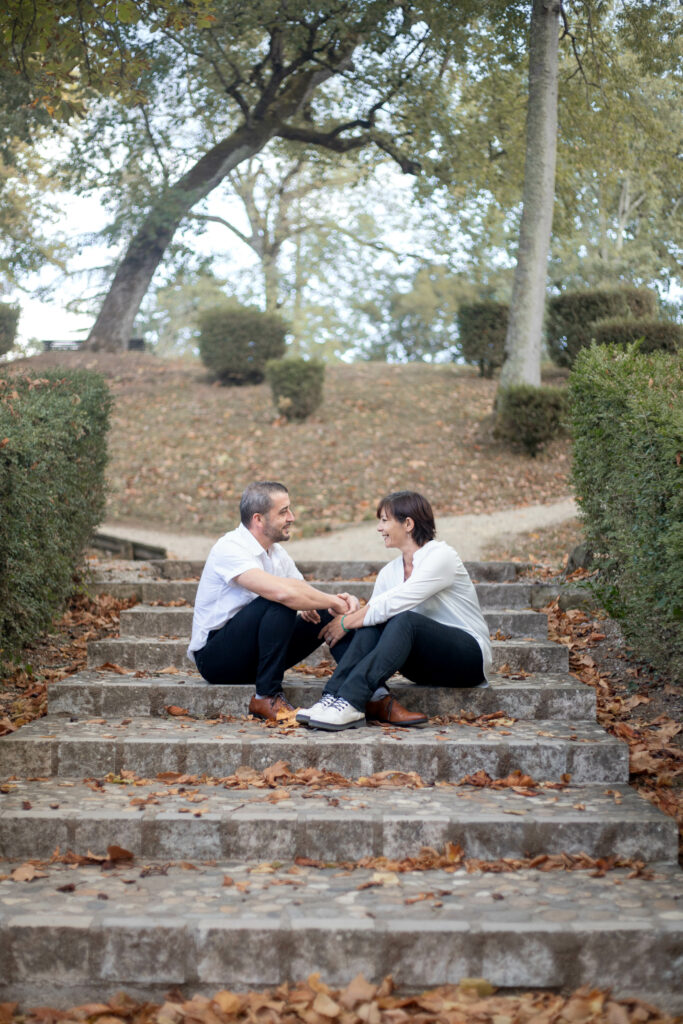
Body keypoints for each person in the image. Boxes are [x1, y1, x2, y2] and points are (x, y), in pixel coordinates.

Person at [297, 490, 493, 731]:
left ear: (408, 523)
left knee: (402, 619)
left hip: (467, 659)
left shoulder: (442, 556)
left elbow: (397, 602)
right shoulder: (389, 572)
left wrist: (347, 621)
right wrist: (352, 616)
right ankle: (334, 696)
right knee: (370, 624)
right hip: (420, 666)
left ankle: (350, 699)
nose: (379, 528)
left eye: (384, 520)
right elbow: (375, 616)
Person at [187, 480, 357, 721]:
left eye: (290, 509)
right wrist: (318, 599)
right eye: (283, 511)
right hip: (217, 659)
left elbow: (302, 590)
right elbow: (285, 593)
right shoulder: (229, 547)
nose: (292, 517)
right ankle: (266, 696)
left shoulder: (277, 553)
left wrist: (339, 603)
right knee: (279, 598)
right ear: (258, 519)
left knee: (329, 614)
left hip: (256, 655)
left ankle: (358, 691)